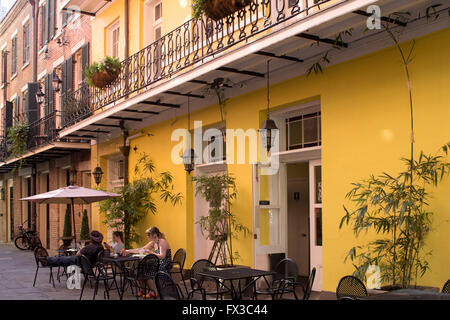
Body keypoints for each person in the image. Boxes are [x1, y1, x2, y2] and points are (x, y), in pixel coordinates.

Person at [125, 226, 172, 298]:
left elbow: (162, 256)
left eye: (148, 235)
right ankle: (142, 290)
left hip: (165, 263)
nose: (147, 236)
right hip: (157, 262)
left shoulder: (162, 241)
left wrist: (151, 253)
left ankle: (153, 291)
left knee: (148, 269)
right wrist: (128, 251)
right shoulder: (153, 243)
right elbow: (141, 249)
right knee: (139, 268)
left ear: (155, 235)